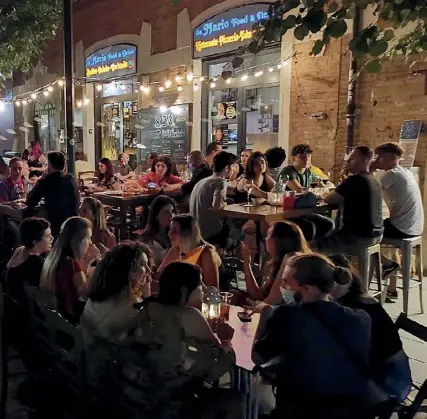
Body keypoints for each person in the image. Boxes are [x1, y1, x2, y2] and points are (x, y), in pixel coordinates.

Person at [252, 253, 383, 419]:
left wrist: (265, 313)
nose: (282, 287)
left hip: (303, 411)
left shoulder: (289, 315)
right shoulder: (361, 318)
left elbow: (257, 357)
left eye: (286, 282)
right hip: (353, 411)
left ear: (307, 288)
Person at [131, 261, 238, 419]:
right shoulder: (188, 315)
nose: (204, 287)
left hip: (143, 392)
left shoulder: (148, 307)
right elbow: (220, 365)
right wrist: (226, 340)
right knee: (235, 400)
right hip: (178, 400)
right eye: (199, 283)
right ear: (184, 290)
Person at [329, 253, 411, 403]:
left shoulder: (358, 309)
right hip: (380, 373)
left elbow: (353, 357)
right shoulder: (351, 300)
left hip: (389, 384)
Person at [372, 142, 424, 297]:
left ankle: (386, 265)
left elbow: (368, 190)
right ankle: (391, 289)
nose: (377, 160)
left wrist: (370, 168)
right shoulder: (404, 172)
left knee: (365, 235)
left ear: (390, 158)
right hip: (413, 227)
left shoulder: (392, 174)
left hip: (402, 227)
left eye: (379, 157)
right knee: (387, 240)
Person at [316, 146, 384, 252]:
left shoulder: (355, 180)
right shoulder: (375, 180)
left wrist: (343, 181)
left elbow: (327, 199)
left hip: (357, 237)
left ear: (364, 160)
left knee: (310, 247)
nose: (347, 161)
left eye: (352, 158)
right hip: (377, 234)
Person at [81, 241, 153, 340]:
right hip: (106, 353)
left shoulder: (97, 296)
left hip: (85, 350)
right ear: (128, 269)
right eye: (143, 264)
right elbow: (147, 335)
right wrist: (147, 294)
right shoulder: (133, 309)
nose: (149, 270)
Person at [40, 216, 101, 322]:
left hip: (56, 317)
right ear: (78, 240)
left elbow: (77, 282)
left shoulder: (55, 255)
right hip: (71, 318)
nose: (90, 242)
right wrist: (100, 264)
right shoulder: (71, 263)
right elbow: (87, 295)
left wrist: (87, 262)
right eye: (88, 238)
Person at [241, 221, 311, 309]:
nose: (265, 239)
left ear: (278, 240)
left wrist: (256, 307)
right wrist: (247, 262)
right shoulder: (276, 262)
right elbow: (257, 294)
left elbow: (272, 301)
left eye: (268, 236)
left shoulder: (291, 259)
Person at [158, 214, 222, 289]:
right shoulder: (176, 250)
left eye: (175, 230)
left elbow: (213, 291)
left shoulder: (206, 254)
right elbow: (159, 275)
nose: (169, 233)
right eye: (170, 229)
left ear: (188, 234)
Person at [27, 151, 80, 239]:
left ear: (50, 165)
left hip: (54, 227)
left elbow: (30, 202)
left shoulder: (47, 181)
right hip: (73, 224)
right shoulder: (71, 179)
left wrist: (39, 180)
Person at [189, 151, 234, 247]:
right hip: (209, 234)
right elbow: (217, 206)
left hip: (195, 232)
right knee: (237, 231)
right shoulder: (220, 182)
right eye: (232, 167)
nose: (233, 170)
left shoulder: (202, 181)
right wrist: (226, 204)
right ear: (226, 168)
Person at [6, 217, 53, 302]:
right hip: (23, 311)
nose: (52, 239)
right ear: (35, 241)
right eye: (48, 236)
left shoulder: (19, 250)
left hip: (9, 304)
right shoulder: (36, 262)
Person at [139, 195, 177, 266]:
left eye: (172, 211)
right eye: (166, 212)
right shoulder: (147, 241)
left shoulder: (177, 235)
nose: (171, 216)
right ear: (156, 216)